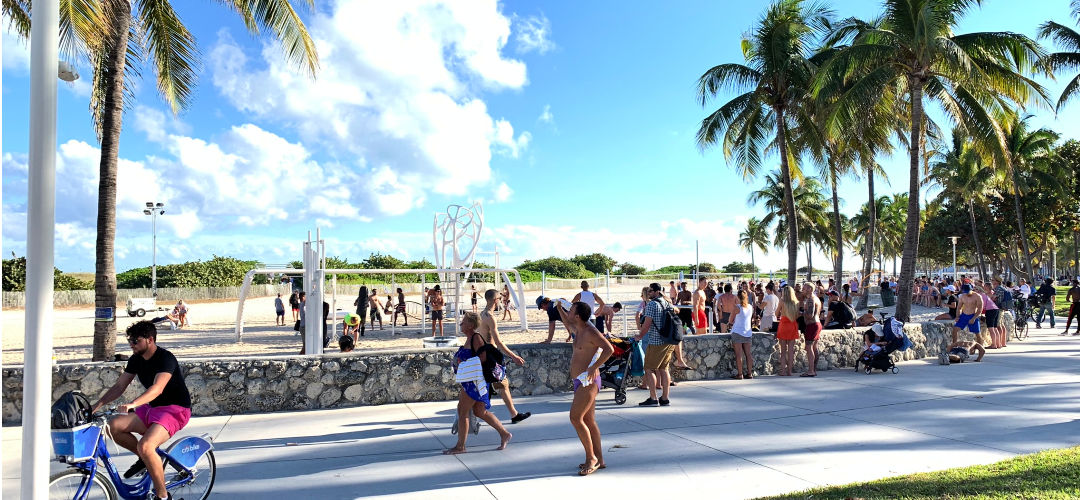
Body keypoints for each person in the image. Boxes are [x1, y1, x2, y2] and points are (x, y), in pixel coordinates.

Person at [90, 321, 192, 500]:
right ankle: (146, 459)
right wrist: (95, 406)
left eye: (135, 340)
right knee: (111, 426)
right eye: (130, 340)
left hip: (175, 410)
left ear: (150, 340)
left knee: (146, 445)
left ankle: (163, 496)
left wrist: (133, 404)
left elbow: (157, 388)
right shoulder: (136, 359)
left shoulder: (165, 358)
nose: (131, 344)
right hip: (152, 408)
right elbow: (120, 386)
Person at [555, 301, 614, 476]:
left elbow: (609, 349)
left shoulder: (590, 331)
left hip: (588, 381)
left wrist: (593, 366)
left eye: (571, 310)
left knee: (575, 417)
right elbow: (567, 322)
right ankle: (600, 459)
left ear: (578, 316)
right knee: (588, 421)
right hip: (579, 381)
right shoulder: (578, 328)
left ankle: (591, 459)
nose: (569, 311)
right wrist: (559, 308)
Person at [443, 312, 513, 455]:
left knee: (462, 411)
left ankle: (460, 446)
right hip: (472, 381)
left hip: (474, 382)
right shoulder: (469, 339)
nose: (461, 324)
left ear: (470, 325)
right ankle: (504, 434)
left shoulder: (476, 338)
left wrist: (464, 364)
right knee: (480, 412)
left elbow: (483, 357)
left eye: (463, 321)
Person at [480, 289, 532, 424]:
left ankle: (513, 414)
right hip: (490, 357)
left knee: (498, 385)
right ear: (494, 300)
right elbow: (497, 342)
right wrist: (514, 356)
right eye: (499, 298)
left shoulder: (481, 314)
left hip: (482, 355)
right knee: (501, 384)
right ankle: (513, 415)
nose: (501, 300)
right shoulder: (490, 317)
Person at [636, 283, 674, 406]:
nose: (649, 293)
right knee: (664, 369)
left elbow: (646, 325)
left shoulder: (652, 304)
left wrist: (639, 336)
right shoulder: (667, 302)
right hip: (669, 341)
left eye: (651, 291)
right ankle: (665, 397)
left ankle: (653, 398)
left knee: (649, 368)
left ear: (657, 291)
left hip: (656, 341)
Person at [729, 289, 754, 379]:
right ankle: (750, 373)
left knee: (739, 355)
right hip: (747, 332)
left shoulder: (737, 308)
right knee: (748, 354)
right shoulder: (750, 307)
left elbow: (730, 321)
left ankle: (740, 374)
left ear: (737, 297)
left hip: (738, 332)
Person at [776, 286, 800, 376]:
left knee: (783, 351)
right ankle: (789, 371)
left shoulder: (782, 301)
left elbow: (776, 313)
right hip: (792, 325)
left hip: (784, 325)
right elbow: (797, 315)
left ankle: (783, 371)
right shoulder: (796, 302)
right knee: (790, 351)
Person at [800, 283, 822, 377]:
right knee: (814, 348)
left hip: (812, 325)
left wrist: (801, 312)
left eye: (804, 288)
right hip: (817, 324)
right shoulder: (816, 298)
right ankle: (813, 369)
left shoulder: (811, 299)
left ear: (809, 289)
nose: (802, 289)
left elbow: (810, 315)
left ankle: (811, 370)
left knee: (809, 347)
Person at [980, 282, 1004, 349]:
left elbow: (982, 306)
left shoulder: (983, 295)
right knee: (995, 328)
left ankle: (993, 345)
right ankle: (998, 344)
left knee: (991, 328)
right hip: (995, 309)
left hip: (990, 310)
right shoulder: (990, 293)